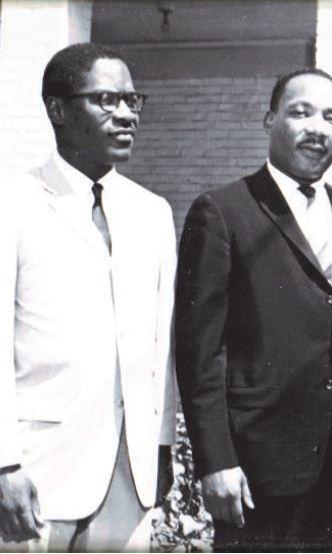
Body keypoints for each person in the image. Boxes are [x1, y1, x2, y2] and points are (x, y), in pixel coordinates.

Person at [175, 68, 332, 552]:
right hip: (257, 469)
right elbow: (200, 354)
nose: (317, 128)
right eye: (301, 113)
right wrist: (216, 461)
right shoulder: (221, 211)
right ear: (269, 120)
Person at [0, 43, 177, 552]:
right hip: (36, 472)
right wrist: (5, 464)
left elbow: (161, 343)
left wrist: (161, 444)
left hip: (128, 474)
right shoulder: (13, 203)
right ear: (57, 109)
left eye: (132, 100)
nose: (126, 114)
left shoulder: (152, 213)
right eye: (105, 99)